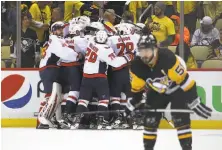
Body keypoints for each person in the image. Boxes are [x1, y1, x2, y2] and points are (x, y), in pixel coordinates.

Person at [125, 34, 212, 150]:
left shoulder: (168, 58)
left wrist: (193, 99)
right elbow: (137, 90)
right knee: (150, 121)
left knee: (181, 120)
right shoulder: (136, 66)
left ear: (155, 50)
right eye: (142, 51)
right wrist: (131, 104)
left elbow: (186, 82)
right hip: (156, 91)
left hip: (177, 88)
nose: (144, 55)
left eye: (148, 51)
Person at [71, 30, 134, 129]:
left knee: (83, 100)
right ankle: (102, 121)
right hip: (99, 77)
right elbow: (116, 63)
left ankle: (77, 121)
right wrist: (127, 57)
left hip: (86, 77)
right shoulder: (106, 49)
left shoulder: (91, 42)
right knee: (104, 100)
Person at [37, 21, 79, 129]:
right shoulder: (55, 39)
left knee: (53, 95)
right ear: (53, 30)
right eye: (59, 29)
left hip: (50, 67)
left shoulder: (54, 39)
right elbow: (63, 52)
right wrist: (77, 56)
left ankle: (50, 118)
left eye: (62, 28)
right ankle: (42, 120)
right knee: (52, 95)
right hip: (49, 68)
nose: (61, 30)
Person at [107, 23, 140, 128]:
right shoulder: (135, 37)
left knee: (116, 96)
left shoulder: (112, 39)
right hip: (131, 71)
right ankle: (132, 119)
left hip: (117, 71)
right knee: (130, 95)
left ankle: (118, 119)